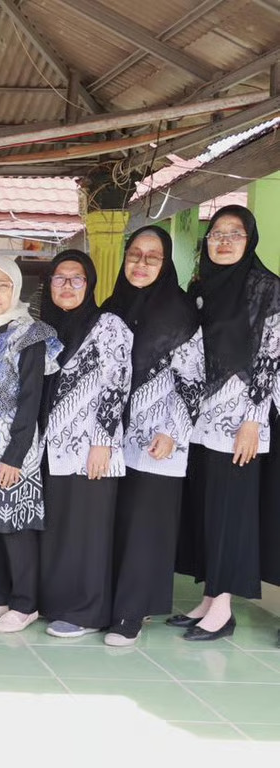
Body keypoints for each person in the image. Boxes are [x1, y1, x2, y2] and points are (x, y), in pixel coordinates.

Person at [173, 205, 280, 641]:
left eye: (235, 233)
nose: (224, 241)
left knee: (230, 512)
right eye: (216, 233)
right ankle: (208, 597)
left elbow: (271, 356)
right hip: (200, 417)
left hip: (240, 419)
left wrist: (254, 421)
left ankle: (223, 609)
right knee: (205, 507)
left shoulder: (267, 288)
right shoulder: (201, 287)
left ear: (249, 240)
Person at [101, 226, 203, 646]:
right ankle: (116, 603)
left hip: (156, 436)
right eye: (134, 255)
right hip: (112, 436)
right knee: (117, 522)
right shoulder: (113, 306)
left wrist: (172, 432)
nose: (141, 263)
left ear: (165, 264)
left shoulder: (180, 312)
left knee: (146, 525)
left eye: (152, 257)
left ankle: (131, 613)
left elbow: (193, 380)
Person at [0, 255, 61, 634]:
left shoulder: (29, 334)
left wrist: (15, 456)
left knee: (15, 524)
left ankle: (24, 604)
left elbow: (31, 400)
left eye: (2, 286)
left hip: (10, 447)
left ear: (15, 289)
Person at [40, 250, 132, 639]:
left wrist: (103, 441)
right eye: (59, 278)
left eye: (76, 278)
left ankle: (87, 612)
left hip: (90, 447)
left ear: (90, 284)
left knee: (87, 531)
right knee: (60, 529)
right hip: (51, 447)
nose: (67, 286)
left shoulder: (107, 324)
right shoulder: (44, 327)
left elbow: (117, 382)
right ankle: (59, 604)